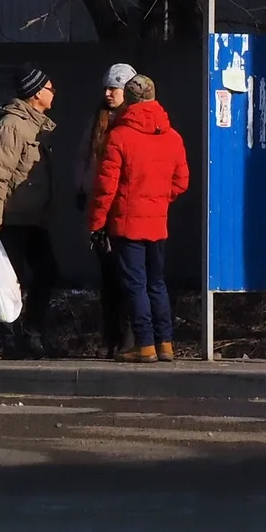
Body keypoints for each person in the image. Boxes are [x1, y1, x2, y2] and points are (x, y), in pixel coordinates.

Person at [87, 73, 190, 363]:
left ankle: (144, 344)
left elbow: (106, 187)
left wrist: (96, 224)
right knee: (157, 283)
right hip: (158, 223)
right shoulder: (172, 137)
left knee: (135, 284)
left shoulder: (119, 136)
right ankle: (166, 343)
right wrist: (158, 200)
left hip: (127, 223)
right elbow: (181, 182)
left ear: (129, 101)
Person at [0, 66, 58, 357]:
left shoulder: (38, 124)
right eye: (50, 88)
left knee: (47, 272)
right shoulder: (12, 125)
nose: (54, 93)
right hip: (13, 217)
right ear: (37, 93)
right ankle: (11, 340)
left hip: (33, 218)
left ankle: (32, 335)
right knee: (11, 279)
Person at [76, 62, 138, 358]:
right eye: (106, 88)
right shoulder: (98, 120)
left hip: (122, 206)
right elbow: (86, 158)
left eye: (114, 87)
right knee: (108, 277)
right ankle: (109, 335)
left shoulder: (132, 121)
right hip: (99, 203)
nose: (108, 93)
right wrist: (81, 188)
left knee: (127, 274)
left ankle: (128, 335)